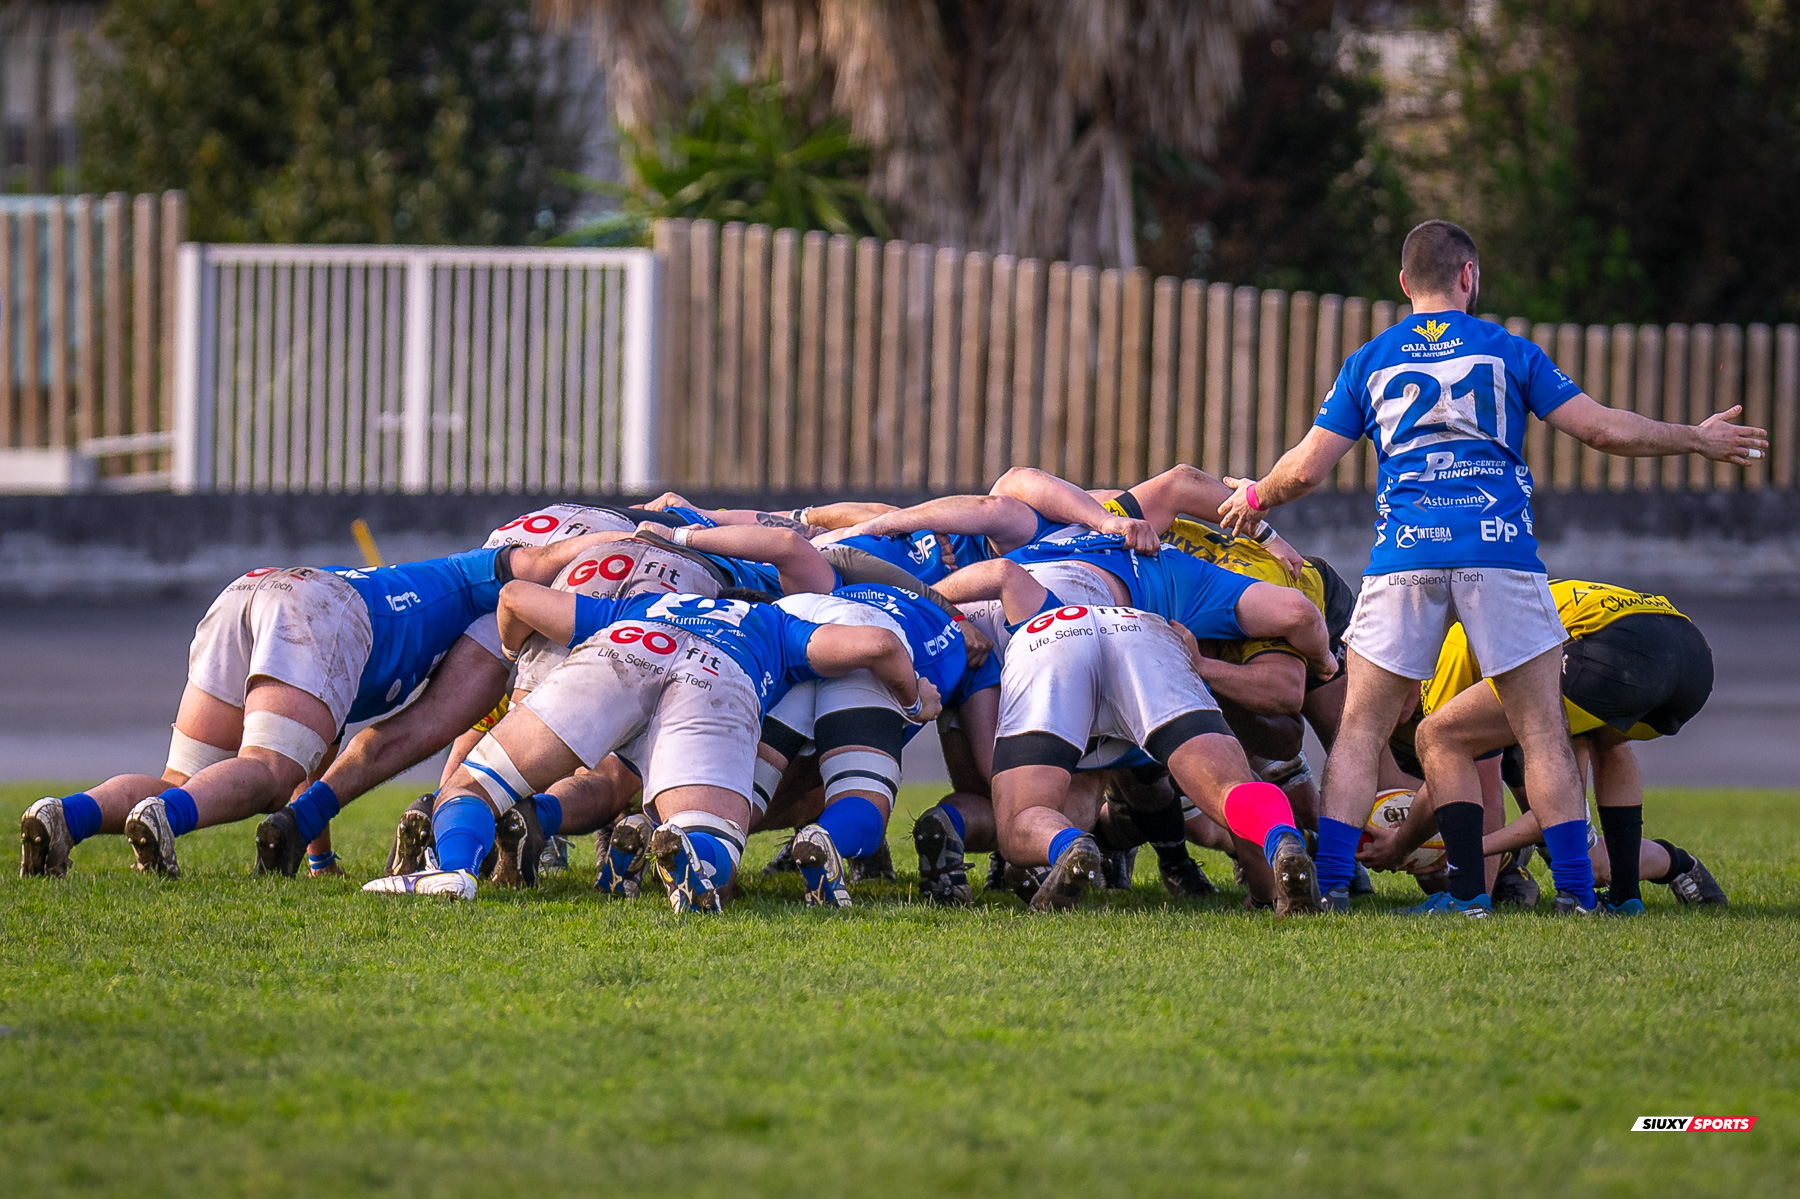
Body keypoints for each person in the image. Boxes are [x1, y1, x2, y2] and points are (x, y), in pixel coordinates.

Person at [1217, 218, 1767, 915]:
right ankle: (1574, 892)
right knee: (1540, 728)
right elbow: (1600, 428)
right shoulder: (1510, 351)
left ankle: (1327, 888)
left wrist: (1255, 495)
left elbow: (1306, 468)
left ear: (1403, 284)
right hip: (1498, 550)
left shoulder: (1372, 359)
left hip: (1406, 557)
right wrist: (1695, 438)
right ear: (1469, 277)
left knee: (1359, 727)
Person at [19, 537, 610, 880]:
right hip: (319, 609)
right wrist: (637, 533)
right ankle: (166, 820)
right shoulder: (482, 583)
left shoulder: (429, 595)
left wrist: (321, 860)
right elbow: (535, 563)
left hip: (251, 590)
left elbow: (319, 750)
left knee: (183, 778)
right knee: (268, 773)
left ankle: (63, 818)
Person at [363, 580, 940, 908]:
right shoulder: (775, 625)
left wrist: (514, 662)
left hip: (629, 644)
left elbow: (514, 595)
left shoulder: (646, 602)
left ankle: (457, 871)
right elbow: (878, 644)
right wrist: (916, 700)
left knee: (474, 783)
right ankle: (693, 861)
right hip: (719, 675)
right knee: (714, 841)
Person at [951, 558, 1320, 914]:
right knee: (1230, 790)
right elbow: (1289, 611)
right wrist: (1262, 896)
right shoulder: (1146, 553)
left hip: (1046, 638)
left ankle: (1069, 845)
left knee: (1023, 816)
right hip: (1142, 630)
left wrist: (917, 595)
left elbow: (1000, 569)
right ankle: (1279, 841)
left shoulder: (1002, 567)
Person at [1361, 578, 1725, 911]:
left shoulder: (1455, 644)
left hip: (1615, 648)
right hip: (1691, 655)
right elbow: (1565, 809)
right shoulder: (1514, 640)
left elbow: (1477, 784)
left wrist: (1409, 846)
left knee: (1439, 735)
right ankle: (1626, 900)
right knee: (1606, 744)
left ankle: (1466, 900)